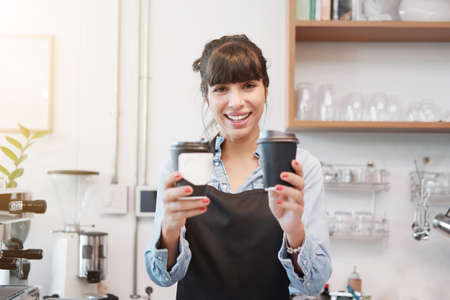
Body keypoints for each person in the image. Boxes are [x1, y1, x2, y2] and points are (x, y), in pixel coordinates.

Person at [145, 34, 331, 299]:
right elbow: (161, 276)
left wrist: (294, 232)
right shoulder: (183, 166)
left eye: (248, 85)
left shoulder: (299, 165)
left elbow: (313, 284)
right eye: (221, 88)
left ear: (265, 89)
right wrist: (170, 229)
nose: (236, 102)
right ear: (207, 96)